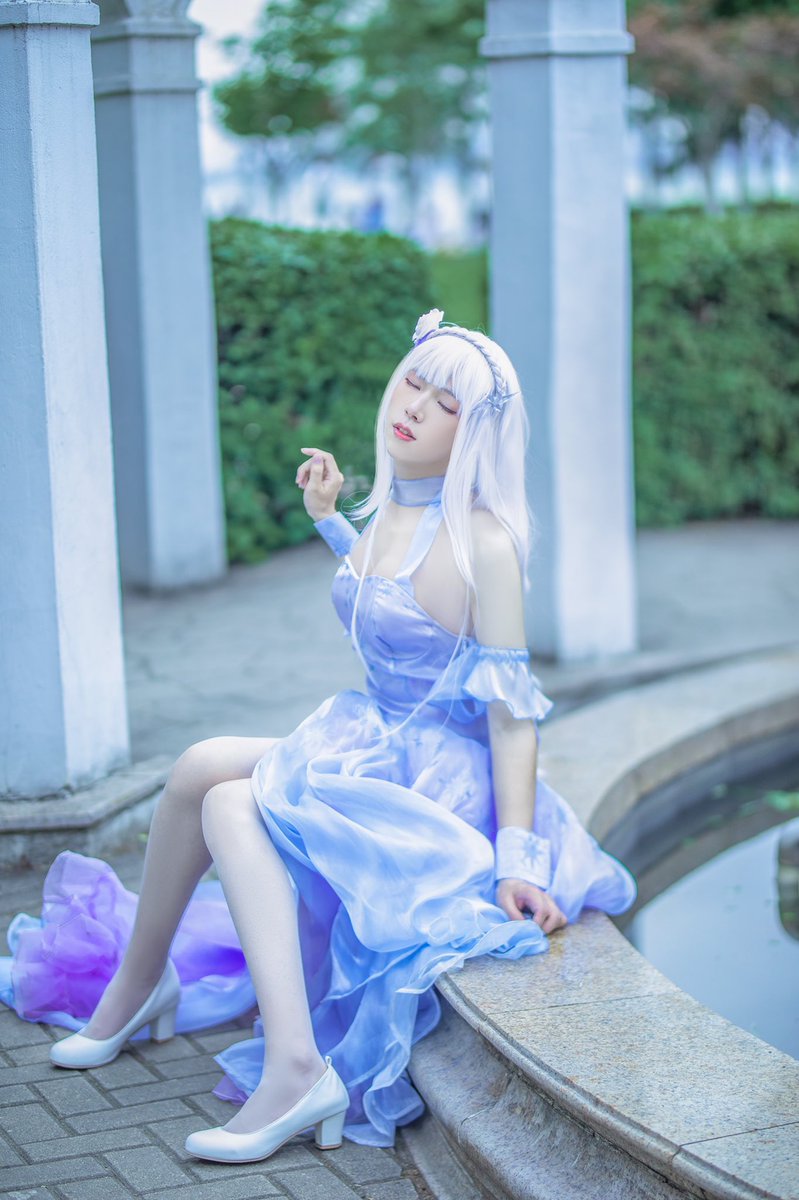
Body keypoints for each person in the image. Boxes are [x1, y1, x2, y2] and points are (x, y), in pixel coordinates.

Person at [0, 310, 637, 1163]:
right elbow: (389, 598)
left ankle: (294, 1067)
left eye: (446, 403)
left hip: (439, 783)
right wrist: (329, 518)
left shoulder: (485, 541)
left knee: (231, 804)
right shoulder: (393, 506)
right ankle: (140, 985)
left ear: (476, 435)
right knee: (199, 768)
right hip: (372, 741)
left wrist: (516, 859)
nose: (414, 406)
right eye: (414, 382)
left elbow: (511, 718)